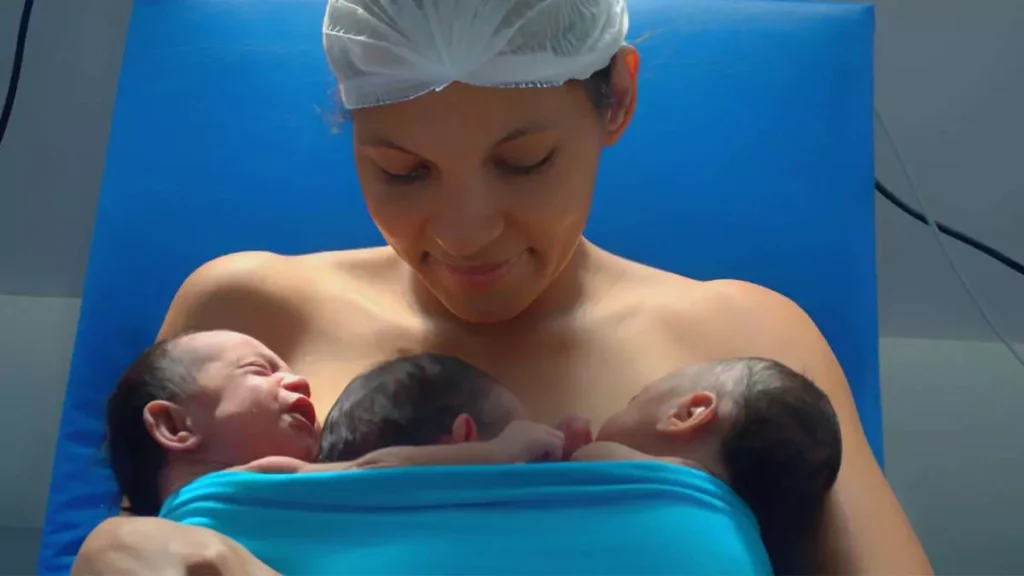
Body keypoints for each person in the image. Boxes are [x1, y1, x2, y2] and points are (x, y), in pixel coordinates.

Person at [73, 0, 931, 574]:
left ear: (617, 99)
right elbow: (140, 535)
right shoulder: (243, 319)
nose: (463, 233)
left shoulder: (743, 338)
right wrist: (106, 550)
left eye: (523, 163)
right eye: (400, 170)